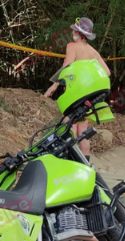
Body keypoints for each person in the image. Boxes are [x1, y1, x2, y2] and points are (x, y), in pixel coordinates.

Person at [44, 18, 110, 160]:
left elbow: (67, 66)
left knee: (70, 125)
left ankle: (68, 160)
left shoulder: (72, 46)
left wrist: (54, 85)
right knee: (83, 130)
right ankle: (85, 162)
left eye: (74, 30)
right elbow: (107, 72)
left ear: (79, 34)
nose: (72, 32)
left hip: (76, 95)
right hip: (90, 96)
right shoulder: (93, 52)